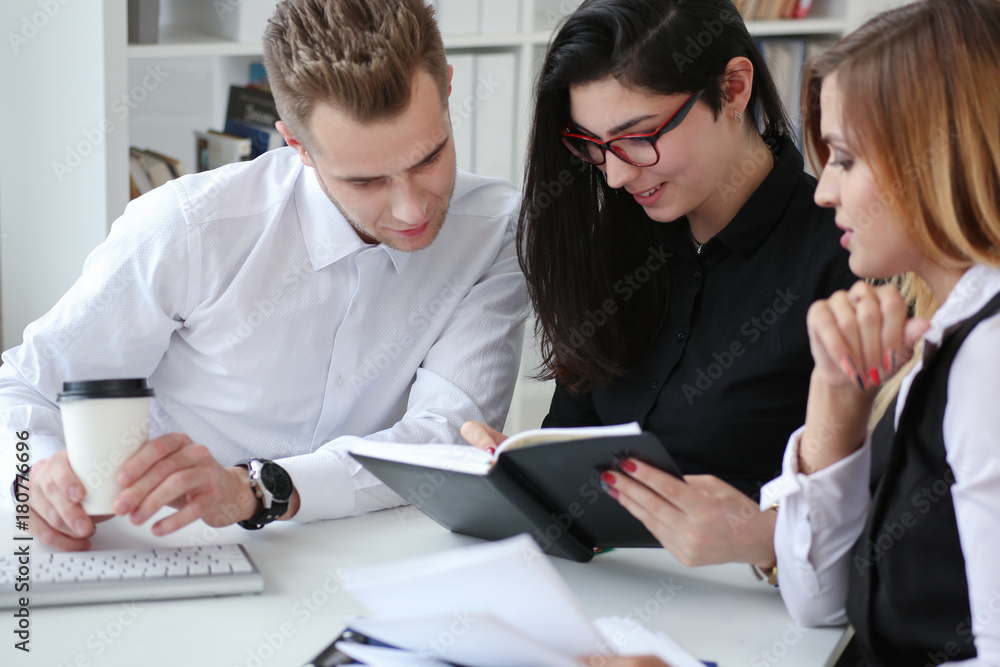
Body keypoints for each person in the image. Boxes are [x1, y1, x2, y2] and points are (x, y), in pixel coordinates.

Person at [1, 0, 528, 551]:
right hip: (183, 548)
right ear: (296, 145)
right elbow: (26, 385)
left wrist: (259, 489)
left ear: (446, 88)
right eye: (366, 181)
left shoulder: (496, 231)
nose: (411, 210)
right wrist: (32, 473)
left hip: (385, 551)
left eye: (428, 158)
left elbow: (448, 436)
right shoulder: (192, 228)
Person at [462, 0, 854, 574]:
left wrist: (760, 534)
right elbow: (574, 437)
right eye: (592, 146)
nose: (616, 175)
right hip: (601, 588)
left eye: (639, 136)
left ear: (734, 88)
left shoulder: (844, 258)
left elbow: (872, 520)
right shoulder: (615, 243)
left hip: (763, 612)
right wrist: (524, 476)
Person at [757, 0, 1000, 663]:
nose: (822, 192)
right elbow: (825, 602)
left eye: (843, 158)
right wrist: (837, 403)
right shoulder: (948, 335)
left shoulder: (989, 361)